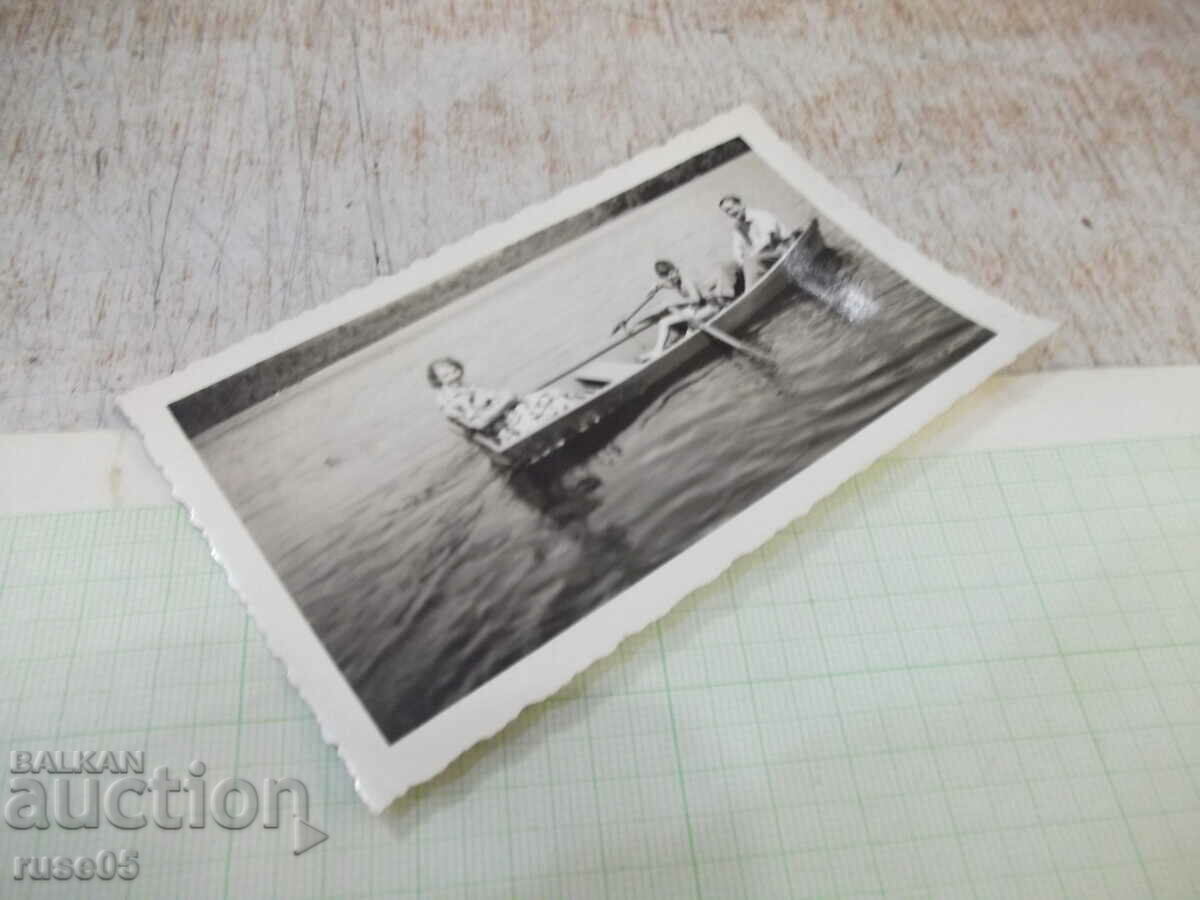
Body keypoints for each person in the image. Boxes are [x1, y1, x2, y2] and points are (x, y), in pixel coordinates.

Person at [428, 357, 589, 444]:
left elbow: (496, 399)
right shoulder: (450, 401)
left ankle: (581, 409)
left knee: (553, 394)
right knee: (556, 404)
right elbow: (478, 424)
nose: (454, 376)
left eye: (454, 371)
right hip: (503, 427)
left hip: (509, 413)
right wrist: (506, 401)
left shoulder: (467, 387)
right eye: (446, 375)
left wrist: (507, 399)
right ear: (438, 380)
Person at [617, 260, 722, 360]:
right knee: (664, 321)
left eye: (672, 274)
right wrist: (655, 287)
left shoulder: (686, 281)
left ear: (676, 269)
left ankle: (676, 344)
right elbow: (662, 284)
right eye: (667, 277)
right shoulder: (674, 282)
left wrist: (672, 303)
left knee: (679, 328)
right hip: (698, 310)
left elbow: (696, 299)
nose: (671, 278)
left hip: (711, 307)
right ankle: (657, 351)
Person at [719, 194, 790, 285]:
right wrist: (741, 262)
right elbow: (737, 251)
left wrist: (751, 257)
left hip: (780, 250)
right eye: (726, 212)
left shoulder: (760, 215)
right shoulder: (737, 227)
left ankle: (752, 288)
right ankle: (725, 293)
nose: (730, 213)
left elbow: (768, 241)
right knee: (726, 267)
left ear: (741, 204)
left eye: (731, 208)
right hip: (761, 257)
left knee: (751, 261)